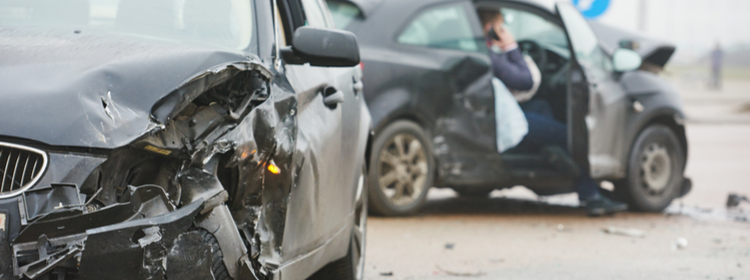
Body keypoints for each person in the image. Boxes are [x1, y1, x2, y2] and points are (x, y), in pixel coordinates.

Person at [477, 7, 627, 216]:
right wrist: (511, 46)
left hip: (496, 113)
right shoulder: (488, 55)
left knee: (542, 107)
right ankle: (590, 194)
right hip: (500, 121)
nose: (504, 31)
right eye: (501, 27)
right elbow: (524, 81)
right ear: (490, 28)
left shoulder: (478, 50)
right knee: (570, 135)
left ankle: (548, 154)